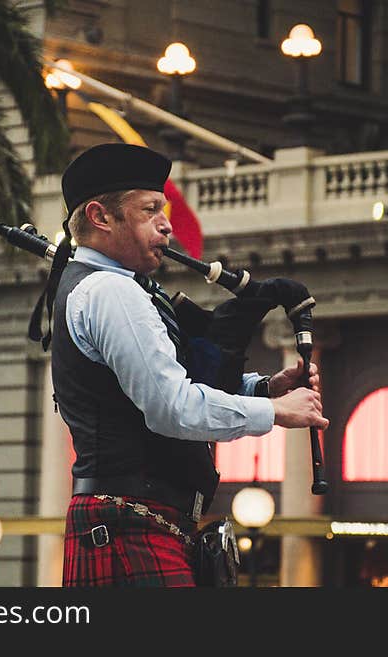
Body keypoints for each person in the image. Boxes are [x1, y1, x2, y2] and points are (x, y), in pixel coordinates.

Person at [52, 142, 329, 587]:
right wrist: (276, 413)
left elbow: (163, 385)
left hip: (131, 524)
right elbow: (171, 407)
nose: (166, 225)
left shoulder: (108, 286)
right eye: (148, 211)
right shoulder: (111, 291)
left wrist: (262, 389)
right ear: (100, 216)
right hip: (128, 526)